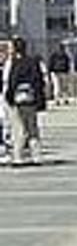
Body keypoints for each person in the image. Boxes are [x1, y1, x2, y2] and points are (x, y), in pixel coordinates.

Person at [4, 38, 49, 166]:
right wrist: (40, 101)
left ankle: (17, 157)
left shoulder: (14, 63)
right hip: (31, 99)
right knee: (33, 129)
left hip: (17, 100)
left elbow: (12, 82)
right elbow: (39, 81)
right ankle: (36, 156)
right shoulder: (33, 62)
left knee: (18, 129)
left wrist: (9, 98)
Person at [45, 39, 71, 107]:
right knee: (64, 86)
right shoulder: (65, 55)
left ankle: (57, 99)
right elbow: (68, 63)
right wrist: (68, 70)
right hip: (64, 71)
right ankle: (65, 99)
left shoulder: (54, 55)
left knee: (57, 86)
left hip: (55, 71)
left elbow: (50, 63)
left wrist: (49, 71)